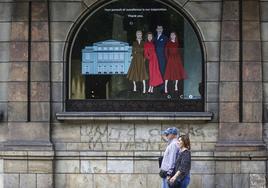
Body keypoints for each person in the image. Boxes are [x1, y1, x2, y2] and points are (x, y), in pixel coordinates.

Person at [154, 25, 168, 92]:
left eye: (161, 28)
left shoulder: (165, 38)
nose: (159, 29)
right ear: (156, 29)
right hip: (155, 58)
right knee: (157, 71)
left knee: (162, 72)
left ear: (162, 30)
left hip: (162, 58)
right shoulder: (154, 38)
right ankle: (157, 84)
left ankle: (162, 88)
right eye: (158, 28)